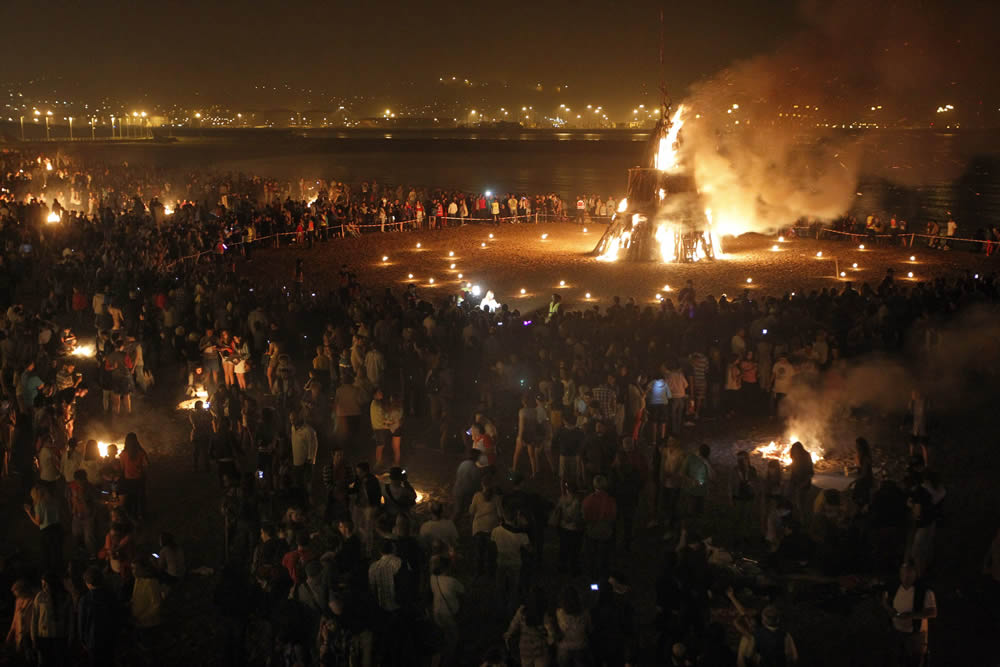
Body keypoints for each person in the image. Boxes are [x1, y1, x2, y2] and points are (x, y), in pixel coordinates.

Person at [884, 562, 936, 667]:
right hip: (897, 631)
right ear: (900, 574)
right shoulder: (894, 588)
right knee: (898, 659)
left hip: (915, 635)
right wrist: (889, 609)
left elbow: (932, 612)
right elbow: (885, 600)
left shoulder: (924, 591)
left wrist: (911, 615)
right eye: (903, 574)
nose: (906, 577)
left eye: (909, 574)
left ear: (915, 575)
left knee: (914, 662)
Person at [491, 508, 531, 616]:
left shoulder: (496, 531)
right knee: (514, 587)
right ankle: (511, 609)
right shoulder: (521, 534)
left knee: (500, 585)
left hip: (501, 562)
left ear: (504, 517)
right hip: (515, 563)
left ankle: (499, 608)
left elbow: (493, 543)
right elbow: (530, 549)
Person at [78, 567, 120, 667]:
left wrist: (82, 639)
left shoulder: (85, 600)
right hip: (110, 638)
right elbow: (117, 616)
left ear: (88, 582)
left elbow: (81, 622)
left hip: (93, 640)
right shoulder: (111, 596)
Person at [503, 587, 555, 667]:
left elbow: (513, 627)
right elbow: (551, 635)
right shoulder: (544, 614)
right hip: (540, 650)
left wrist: (508, 637)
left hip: (525, 650)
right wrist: (549, 642)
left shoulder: (522, 611)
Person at [429, 556, 464, 665]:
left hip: (436, 613)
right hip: (448, 614)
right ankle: (446, 662)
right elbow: (463, 592)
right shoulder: (452, 582)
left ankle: (437, 660)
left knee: (441, 639)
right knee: (453, 640)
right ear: (447, 568)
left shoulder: (433, 578)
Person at [582, 475, 617, 580]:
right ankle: (603, 577)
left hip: (592, 532)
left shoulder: (588, 500)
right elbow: (613, 517)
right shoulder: (610, 501)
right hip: (606, 533)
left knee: (592, 556)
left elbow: (584, 517)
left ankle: (593, 577)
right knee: (604, 557)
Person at [25, 485, 63, 574]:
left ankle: (50, 574)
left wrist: (29, 513)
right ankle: (60, 571)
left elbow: (39, 522)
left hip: (47, 532)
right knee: (57, 552)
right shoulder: (53, 500)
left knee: (47, 554)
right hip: (57, 528)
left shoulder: (39, 504)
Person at [470, 480, 503, 577]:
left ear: (482, 484)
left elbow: (471, 511)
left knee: (479, 552)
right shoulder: (497, 498)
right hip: (491, 528)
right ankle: (490, 573)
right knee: (491, 553)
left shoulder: (477, 496)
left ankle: (479, 572)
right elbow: (500, 514)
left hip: (478, 527)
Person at [555, 586, 591, 667]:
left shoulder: (559, 613)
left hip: (564, 648)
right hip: (580, 646)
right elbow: (589, 629)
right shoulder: (585, 613)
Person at [119, 432, 150, 521]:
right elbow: (146, 464)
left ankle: (131, 517)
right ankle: (140, 516)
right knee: (139, 498)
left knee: (131, 499)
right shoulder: (141, 452)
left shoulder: (123, 454)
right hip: (139, 479)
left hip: (128, 480)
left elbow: (122, 468)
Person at [514, 393, 541, 478]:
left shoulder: (522, 411)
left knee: (517, 454)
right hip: (532, 435)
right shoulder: (534, 411)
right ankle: (534, 473)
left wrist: (520, 437)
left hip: (524, 435)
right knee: (532, 456)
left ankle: (514, 469)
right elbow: (536, 424)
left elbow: (522, 426)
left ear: (523, 402)